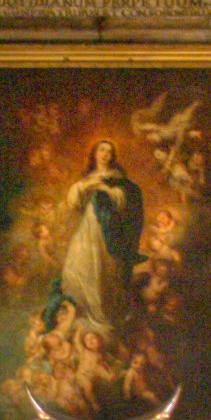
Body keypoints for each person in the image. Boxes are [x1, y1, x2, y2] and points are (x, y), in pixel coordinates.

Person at [45, 139, 143, 340]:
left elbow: (124, 202)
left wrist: (106, 189)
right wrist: (86, 185)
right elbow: (73, 201)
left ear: (112, 156)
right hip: (87, 228)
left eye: (109, 151)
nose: (105, 154)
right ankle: (81, 314)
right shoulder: (87, 177)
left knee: (104, 270)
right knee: (81, 265)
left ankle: (102, 317)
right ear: (95, 154)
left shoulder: (117, 179)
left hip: (108, 230)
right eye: (102, 150)